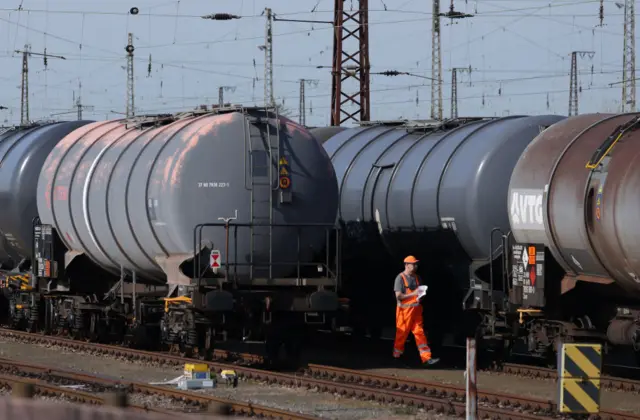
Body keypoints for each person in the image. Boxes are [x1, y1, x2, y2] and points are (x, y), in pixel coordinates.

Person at [392, 255, 440, 367]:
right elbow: (398, 296)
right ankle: (397, 357)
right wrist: (414, 294)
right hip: (404, 311)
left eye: (416, 264)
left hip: (416, 310)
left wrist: (421, 296)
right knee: (402, 334)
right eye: (413, 264)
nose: (415, 266)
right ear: (406, 265)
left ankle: (426, 358)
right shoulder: (400, 278)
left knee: (420, 333)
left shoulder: (417, 278)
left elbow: (419, 293)